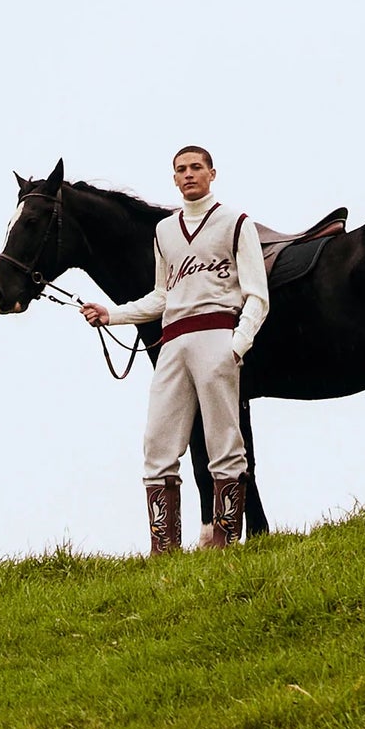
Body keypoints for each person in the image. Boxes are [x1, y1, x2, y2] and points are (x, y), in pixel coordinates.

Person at [83, 144, 269, 553]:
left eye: (196, 167)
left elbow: (258, 295)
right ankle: (163, 546)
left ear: (212, 173)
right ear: (174, 177)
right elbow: (161, 296)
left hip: (217, 332)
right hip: (173, 341)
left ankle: (224, 538)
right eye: (181, 169)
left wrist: (237, 346)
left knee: (223, 441)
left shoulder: (236, 223)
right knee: (158, 443)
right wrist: (111, 314)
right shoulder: (165, 231)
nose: (189, 174)